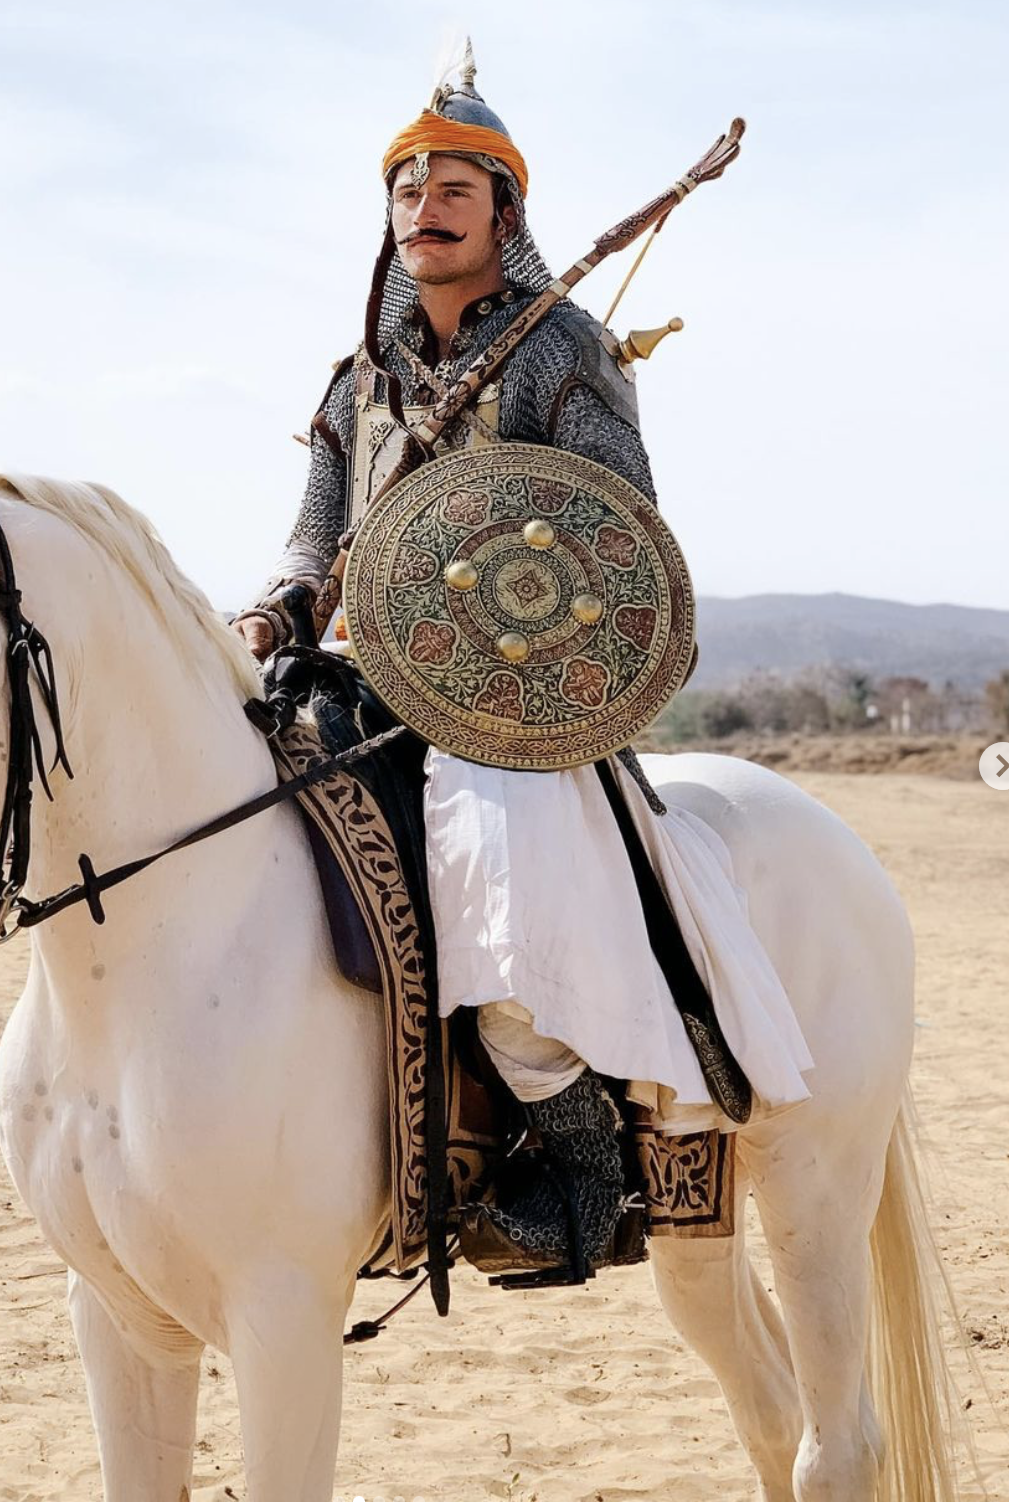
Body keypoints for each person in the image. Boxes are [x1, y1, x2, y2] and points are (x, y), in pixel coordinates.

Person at [234, 47, 813, 1271]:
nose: (424, 210)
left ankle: (581, 1168)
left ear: (505, 212)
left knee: (493, 895)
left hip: (520, 707)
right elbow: (314, 540)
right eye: (406, 190)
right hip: (365, 681)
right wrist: (276, 616)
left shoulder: (566, 352)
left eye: (454, 189)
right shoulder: (362, 378)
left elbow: (617, 536)